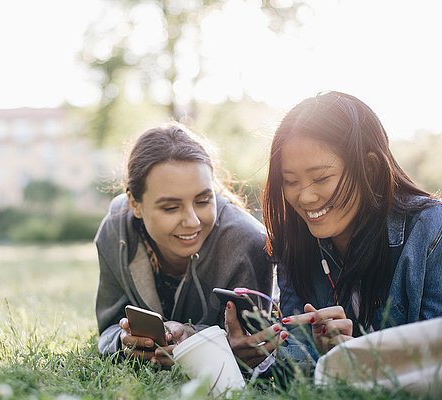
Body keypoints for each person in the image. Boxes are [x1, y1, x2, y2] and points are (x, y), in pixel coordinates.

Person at [226, 91, 442, 370]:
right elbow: (296, 357)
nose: (305, 198)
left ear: (370, 168)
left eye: (321, 178)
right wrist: (261, 355)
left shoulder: (431, 233)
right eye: (290, 181)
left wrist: (358, 357)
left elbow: (432, 365)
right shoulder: (294, 241)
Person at [94, 123, 278, 367]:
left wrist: (197, 338)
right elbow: (108, 328)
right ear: (135, 204)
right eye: (171, 207)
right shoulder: (116, 232)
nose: (192, 221)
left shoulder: (249, 244)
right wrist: (124, 341)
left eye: (203, 200)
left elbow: (257, 346)